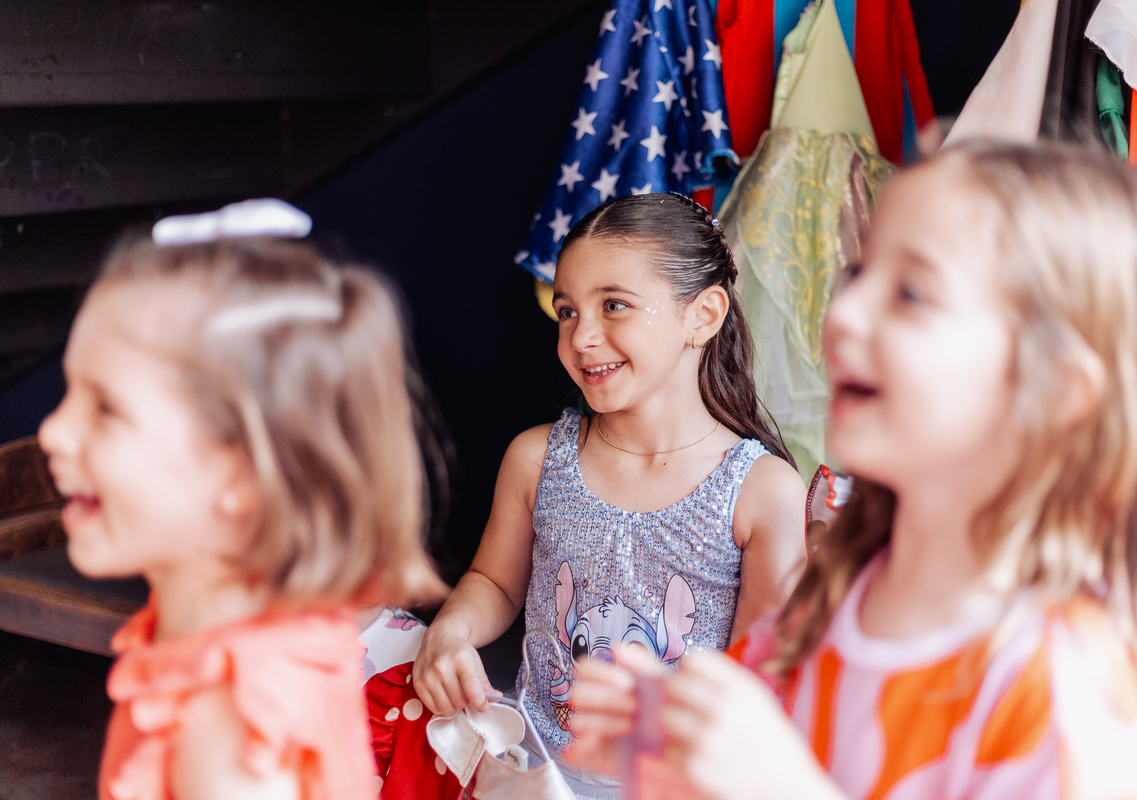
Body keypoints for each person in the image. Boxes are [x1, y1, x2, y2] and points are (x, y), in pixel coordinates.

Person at [568, 142, 1137, 800]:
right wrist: (663, 742)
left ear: (1056, 390)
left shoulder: (1068, 690)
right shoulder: (839, 595)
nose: (841, 316)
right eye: (856, 276)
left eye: (912, 294)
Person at [412, 193, 808, 797]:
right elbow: (493, 583)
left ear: (703, 315)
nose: (582, 336)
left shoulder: (762, 490)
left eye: (614, 305)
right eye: (567, 311)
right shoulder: (536, 458)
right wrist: (448, 632)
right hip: (531, 771)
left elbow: (757, 684)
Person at [39, 229, 446, 800]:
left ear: (241, 475)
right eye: (68, 392)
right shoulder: (212, 619)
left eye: (106, 409)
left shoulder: (229, 727)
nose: (52, 431)